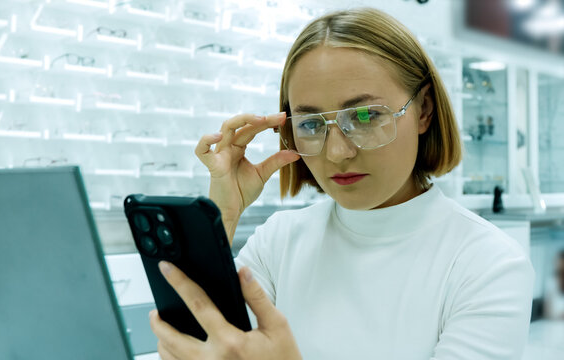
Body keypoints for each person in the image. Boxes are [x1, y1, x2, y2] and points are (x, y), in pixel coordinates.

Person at [149, 8, 534, 359]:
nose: (337, 152)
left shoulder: (488, 264)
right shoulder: (279, 241)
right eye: (312, 124)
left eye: (366, 115)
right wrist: (222, 215)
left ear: (424, 111)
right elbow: (194, 350)